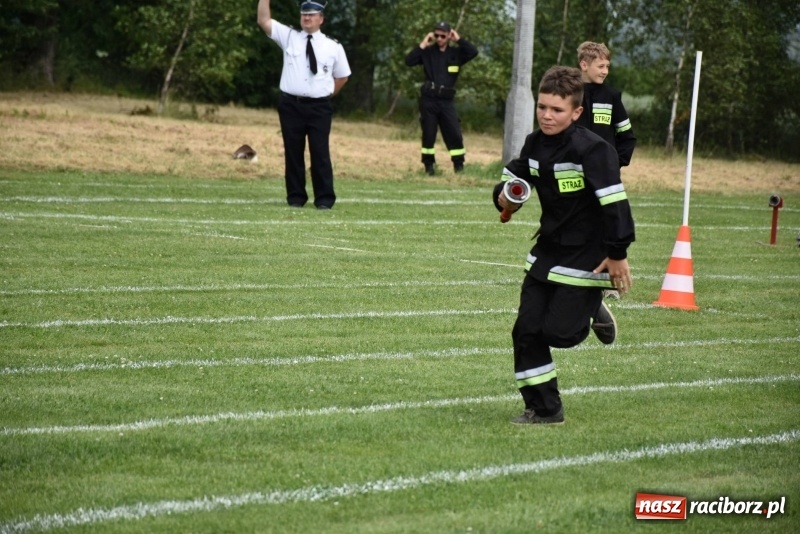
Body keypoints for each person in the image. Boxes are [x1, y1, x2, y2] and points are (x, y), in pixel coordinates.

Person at [493, 66, 635, 425]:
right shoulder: (534, 143)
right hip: (548, 249)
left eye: (557, 109)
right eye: (542, 107)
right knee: (526, 330)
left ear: (576, 112)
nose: (547, 115)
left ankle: (591, 305)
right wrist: (505, 198)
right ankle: (545, 409)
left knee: (560, 334)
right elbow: (513, 180)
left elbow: (615, 204)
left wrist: (617, 253)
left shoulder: (594, 150)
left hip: (588, 254)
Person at [257, 0, 351, 210]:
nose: (307, 18)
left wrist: (326, 95)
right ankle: (296, 197)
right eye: (304, 14)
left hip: (319, 108)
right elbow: (263, 20)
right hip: (291, 105)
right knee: (293, 152)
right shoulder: (289, 36)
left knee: (320, 153)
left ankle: (324, 199)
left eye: (312, 14)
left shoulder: (333, 46)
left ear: (321, 19)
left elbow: (343, 76)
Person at [576, 41, 636, 299]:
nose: (605, 71)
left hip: (605, 178)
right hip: (575, 175)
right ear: (584, 64)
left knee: (607, 227)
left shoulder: (612, 97)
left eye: (607, 66)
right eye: (600, 66)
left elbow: (627, 136)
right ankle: (578, 280)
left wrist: (614, 164)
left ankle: (609, 285)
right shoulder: (570, 94)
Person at [405, 21, 478, 175]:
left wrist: (459, 40)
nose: (439, 39)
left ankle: (459, 166)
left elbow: (473, 52)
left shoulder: (456, 54)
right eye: (436, 35)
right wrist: (423, 43)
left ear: (449, 35)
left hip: (446, 101)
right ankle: (429, 167)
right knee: (429, 134)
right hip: (429, 100)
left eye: (443, 36)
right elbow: (409, 61)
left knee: (454, 133)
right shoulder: (428, 52)